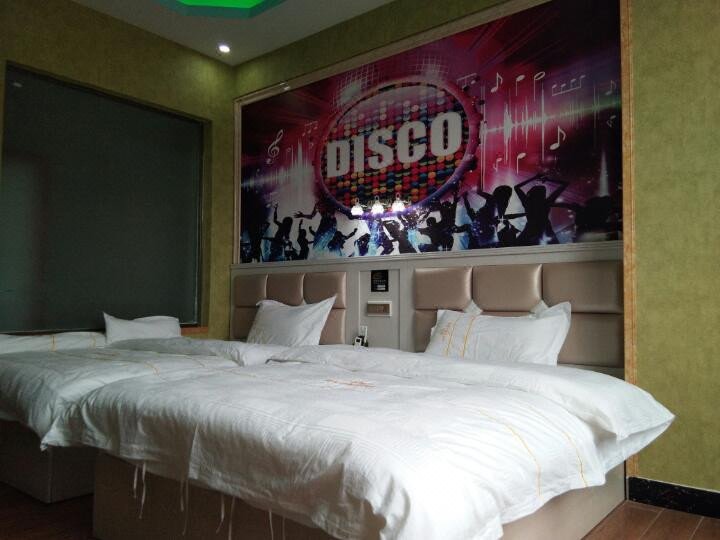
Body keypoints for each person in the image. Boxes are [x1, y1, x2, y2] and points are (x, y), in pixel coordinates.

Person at [514, 173, 568, 245]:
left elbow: (516, 187)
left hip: (531, 228)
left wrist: (533, 178)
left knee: (518, 246)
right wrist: (548, 180)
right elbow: (565, 184)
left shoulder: (527, 202)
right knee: (555, 248)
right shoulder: (546, 202)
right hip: (545, 228)